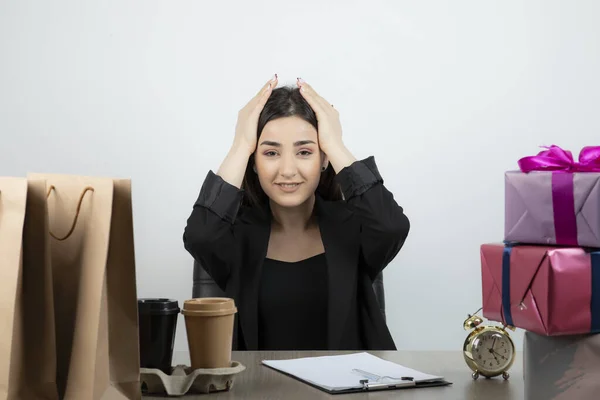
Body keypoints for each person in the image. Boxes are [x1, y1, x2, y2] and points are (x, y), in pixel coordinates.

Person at [183, 75, 410, 351]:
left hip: (345, 390)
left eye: (304, 152)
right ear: (253, 162)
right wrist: (240, 145)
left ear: (323, 158)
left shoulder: (353, 227)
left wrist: (335, 144)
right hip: (259, 391)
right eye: (270, 153)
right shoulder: (236, 235)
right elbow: (200, 235)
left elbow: (391, 227)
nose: (288, 170)